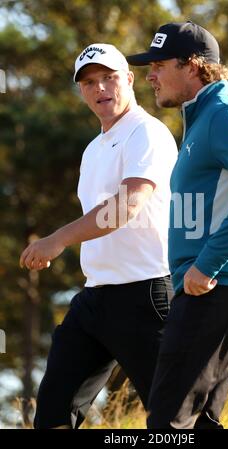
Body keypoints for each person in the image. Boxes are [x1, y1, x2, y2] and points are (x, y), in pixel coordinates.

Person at [126, 21, 228, 429]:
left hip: (218, 290)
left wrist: (206, 265)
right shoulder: (199, 120)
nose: (150, 75)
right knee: (197, 426)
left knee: (167, 425)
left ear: (193, 66)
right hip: (213, 292)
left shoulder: (223, 115)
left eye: (158, 64)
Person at [20, 43, 177, 429]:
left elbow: (129, 203)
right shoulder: (93, 148)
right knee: (53, 413)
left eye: (109, 77)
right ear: (81, 91)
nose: (100, 88)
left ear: (129, 79)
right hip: (95, 297)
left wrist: (58, 239)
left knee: (175, 422)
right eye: (89, 82)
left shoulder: (147, 132)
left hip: (147, 294)